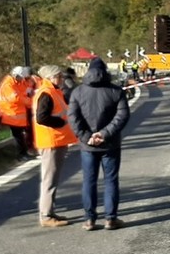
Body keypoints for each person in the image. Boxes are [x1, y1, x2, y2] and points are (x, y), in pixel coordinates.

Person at [68, 57, 130, 231]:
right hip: (110, 144)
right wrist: (104, 134)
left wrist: (86, 136)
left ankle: (89, 219)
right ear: (106, 71)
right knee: (110, 180)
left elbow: (73, 118)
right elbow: (122, 116)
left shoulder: (77, 92)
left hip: (87, 145)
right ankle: (110, 218)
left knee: (89, 181)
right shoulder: (115, 91)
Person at [33, 65, 78, 228]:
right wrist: (60, 123)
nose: (61, 79)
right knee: (49, 179)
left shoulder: (53, 91)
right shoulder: (46, 93)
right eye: (58, 76)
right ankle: (46, 215)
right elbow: (42, 117)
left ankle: (49, 211)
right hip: (51, 141)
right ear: (50, 77)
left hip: (56, 141)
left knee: (52, 178)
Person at [0, 66, 35, 161]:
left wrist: (29, 97)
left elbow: (22, 94)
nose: (22, 79)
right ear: (15, 75)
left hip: (16, 113)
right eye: (20, 77)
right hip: (11, 113)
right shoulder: (8, 84)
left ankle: (23, 153)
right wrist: (30, 101)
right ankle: (21, 155)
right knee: (18, 136)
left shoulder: (16, 82)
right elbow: (16, 98)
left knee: (20, 135)